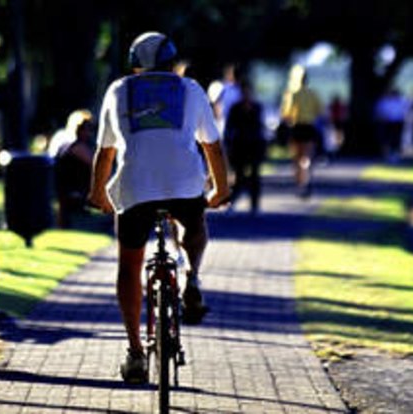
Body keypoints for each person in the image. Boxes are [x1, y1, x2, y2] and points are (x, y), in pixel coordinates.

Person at [88, 32, 230, 384]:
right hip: (184, 183)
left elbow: (105, 152)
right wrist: (221, 189)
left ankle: (135, 352)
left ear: (135, 64)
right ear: (172, 62)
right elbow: (211, 146)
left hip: (135, 187)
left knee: (129, 263)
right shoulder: (191, 89)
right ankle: (191, 277)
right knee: (194, 226)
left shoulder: (119, 91)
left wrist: (97, 194)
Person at [225, 80, 266, 214]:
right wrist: (228, 144)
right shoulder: (235, 108)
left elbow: (260, 128)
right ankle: (232, 201)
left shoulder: (257, 107)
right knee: (239, 176)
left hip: (254, 145)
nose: (247, 94)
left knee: (255, 175)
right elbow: (229, 128)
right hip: (239, 146)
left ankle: (255, 205)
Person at [281, 70, 323, 198]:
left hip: (296, 127)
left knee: (296, 158)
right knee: (307, 156)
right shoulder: (313, 93)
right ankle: (307, 177)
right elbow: (320, 111)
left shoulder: (293, 93)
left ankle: (300, 183)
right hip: (309, 127)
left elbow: (286, 113)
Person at [52, 109, 95, 228]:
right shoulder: (77, 147)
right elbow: (95, 165)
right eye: (87, 128)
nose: (89, 132)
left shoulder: (64, 143)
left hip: (66, 189)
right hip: (73, 189)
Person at [375, 88, 408, 162]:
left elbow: (404, 111)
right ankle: (387, 154)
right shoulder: (385, 101)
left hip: (398, 122)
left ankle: (395, 154)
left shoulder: (402, 101)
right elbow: (381, 111)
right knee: (387, 139)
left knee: (396, 139)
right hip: (387, 122)